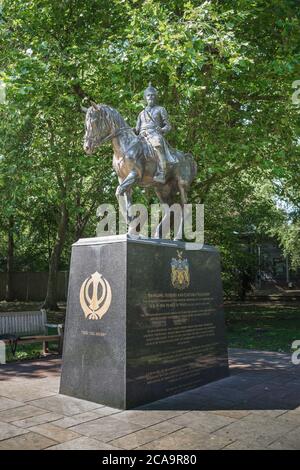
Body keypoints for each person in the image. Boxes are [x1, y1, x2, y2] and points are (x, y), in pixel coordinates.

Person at [136, 83, 175, 183]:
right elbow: (137, 129)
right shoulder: (141, 113)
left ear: (156, 97)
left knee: (157, 143)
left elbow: (168, 126)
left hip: (154, 134)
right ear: (145, 97)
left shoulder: (161, 109)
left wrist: (162, 130)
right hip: (142, 136)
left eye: (153, 95)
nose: (151, 97)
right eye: (148, 95)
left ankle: (162, 172)